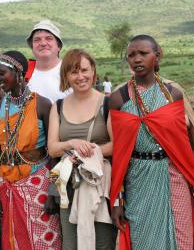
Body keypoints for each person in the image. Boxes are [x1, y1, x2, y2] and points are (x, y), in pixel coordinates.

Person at [109, 35, 194, 250]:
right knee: (143, 241)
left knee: (182, 239)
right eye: (131, 55)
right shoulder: (119, 98)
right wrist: (117, 200)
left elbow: (182, 147)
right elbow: (120, 152)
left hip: (175, 176)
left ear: (157, 56)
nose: (137, 59)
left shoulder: (173, 95)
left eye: (143, 53)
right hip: (138, 180)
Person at [0, 51, 61, 249]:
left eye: (2, 73)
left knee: (45, 242)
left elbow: (54, 152)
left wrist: (53, 190)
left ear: (19, 73)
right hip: (8, 185)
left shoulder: (43, 105)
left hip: (39, 185)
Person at [48, 49, 116, 250]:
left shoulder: (107, 103)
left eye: (84, 70)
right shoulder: (58, 106)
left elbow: (116, 145)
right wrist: (72, 143)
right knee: (71, 244)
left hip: (99, 183)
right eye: (74, 72)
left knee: (103, 242)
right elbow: (52, 149)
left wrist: (87, 154)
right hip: (67, 185)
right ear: (66, 76)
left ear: (93, 71)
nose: (80, 77)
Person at [25, 19, 70, 103]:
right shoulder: (23, 72)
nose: (43, 43)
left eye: (49, 38)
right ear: (32, 47)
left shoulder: (70, 70)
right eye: (37, 40)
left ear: (59, 46)